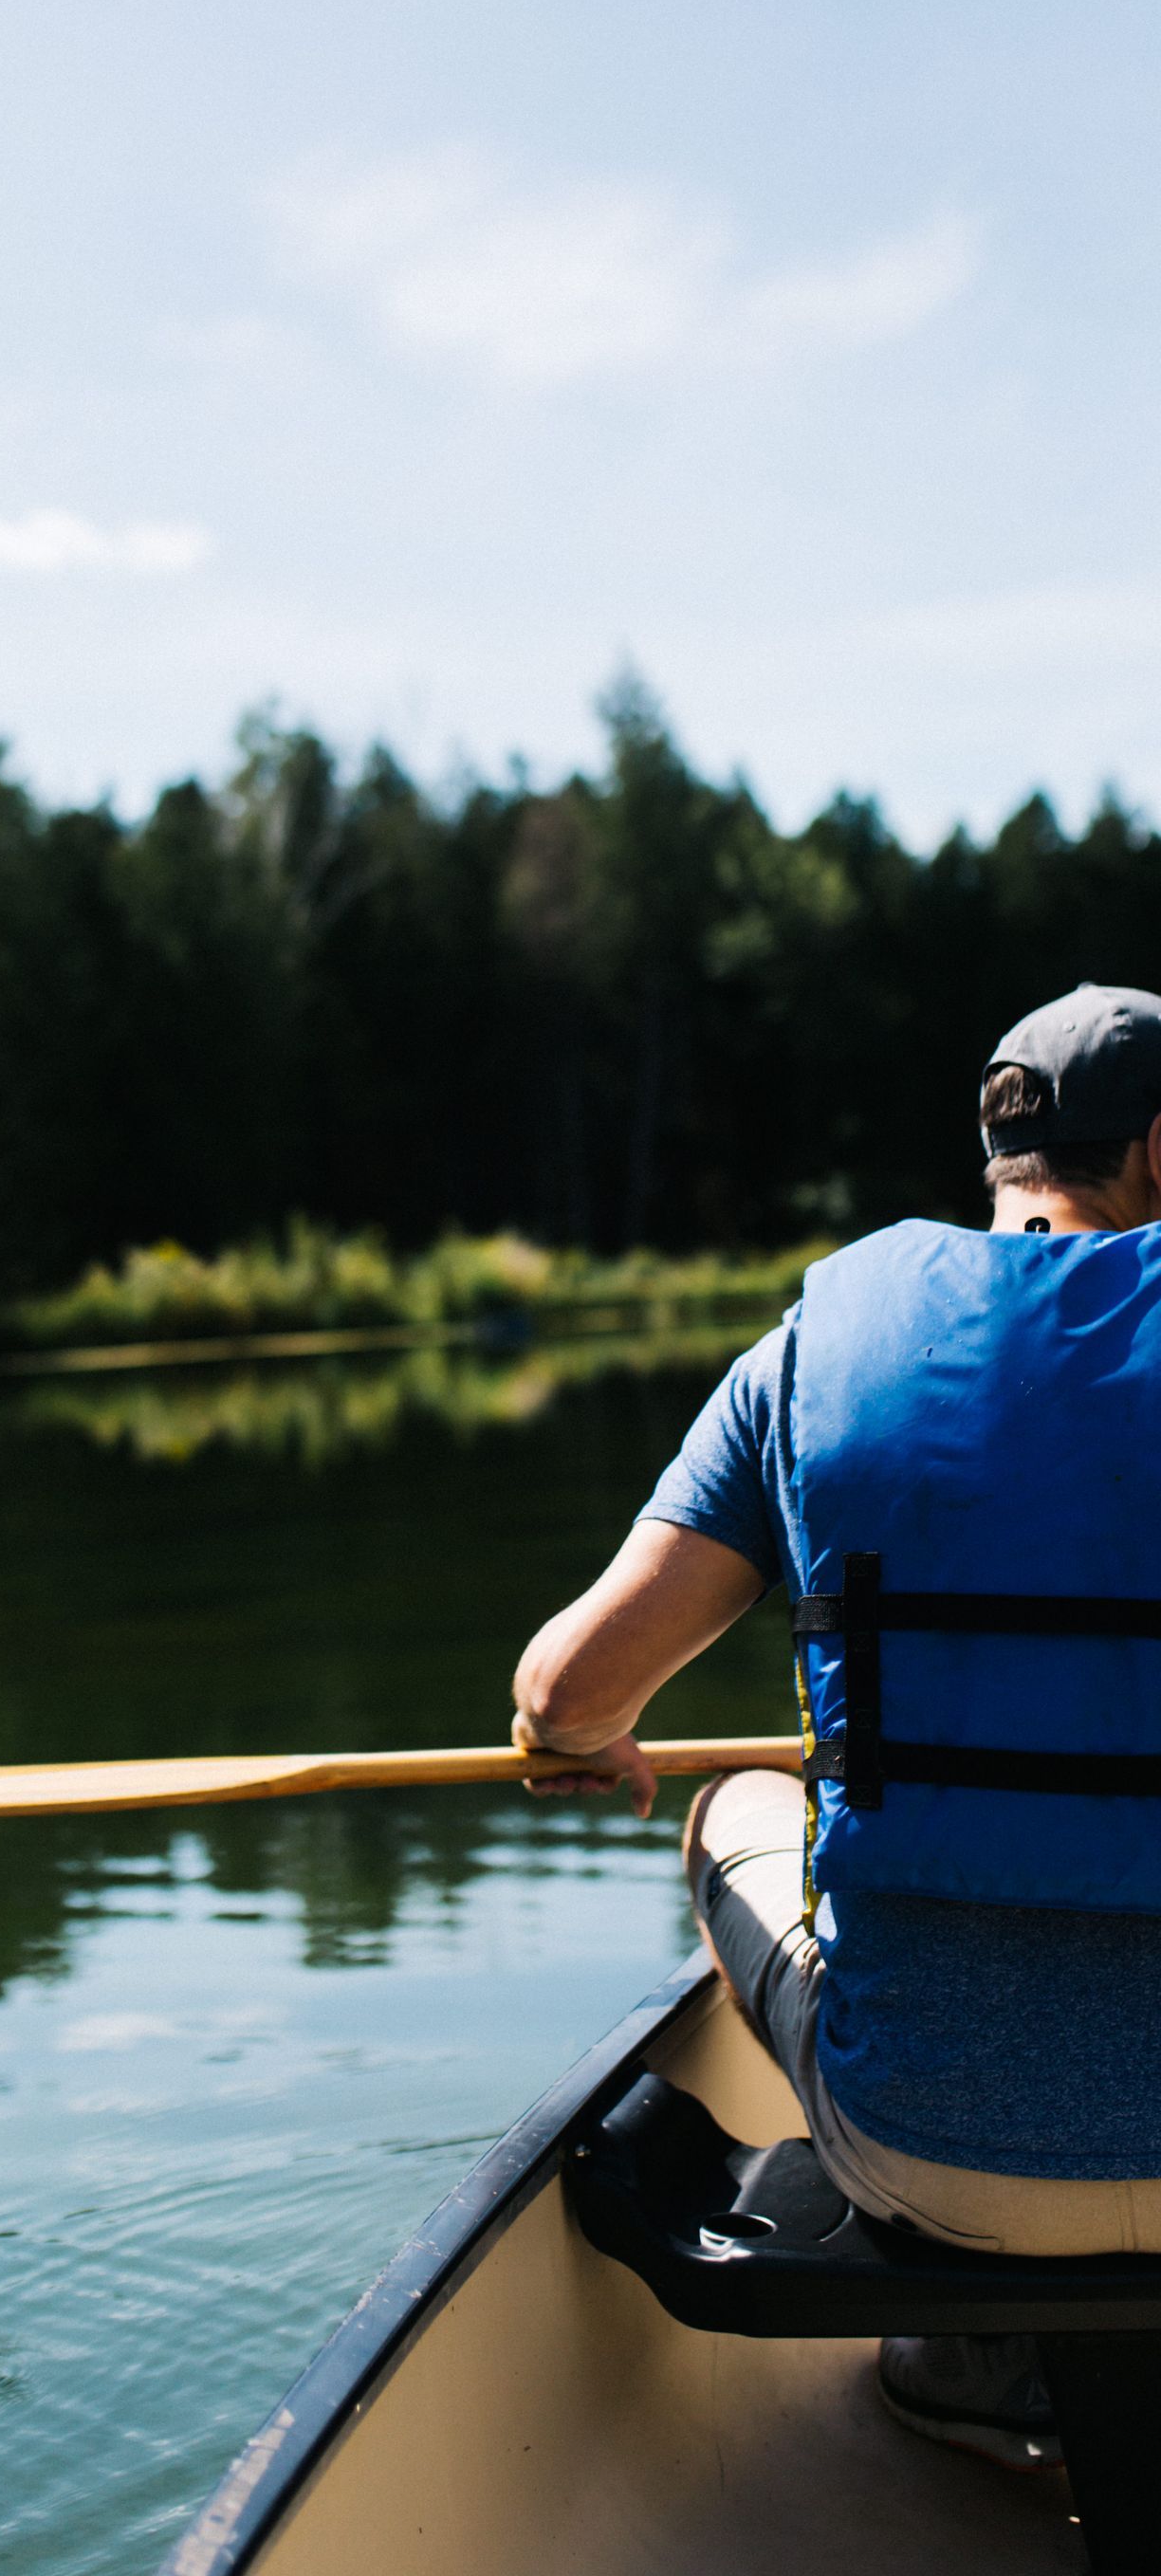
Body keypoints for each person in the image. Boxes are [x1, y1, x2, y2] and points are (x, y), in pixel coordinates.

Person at [510, 981, 1161, 2474]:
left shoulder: (818, 1356)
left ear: (1005, 1164)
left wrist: (594, 1732)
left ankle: (980, 2361)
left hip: (942, 2166)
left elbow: (565, 1695)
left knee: (737, 1805)